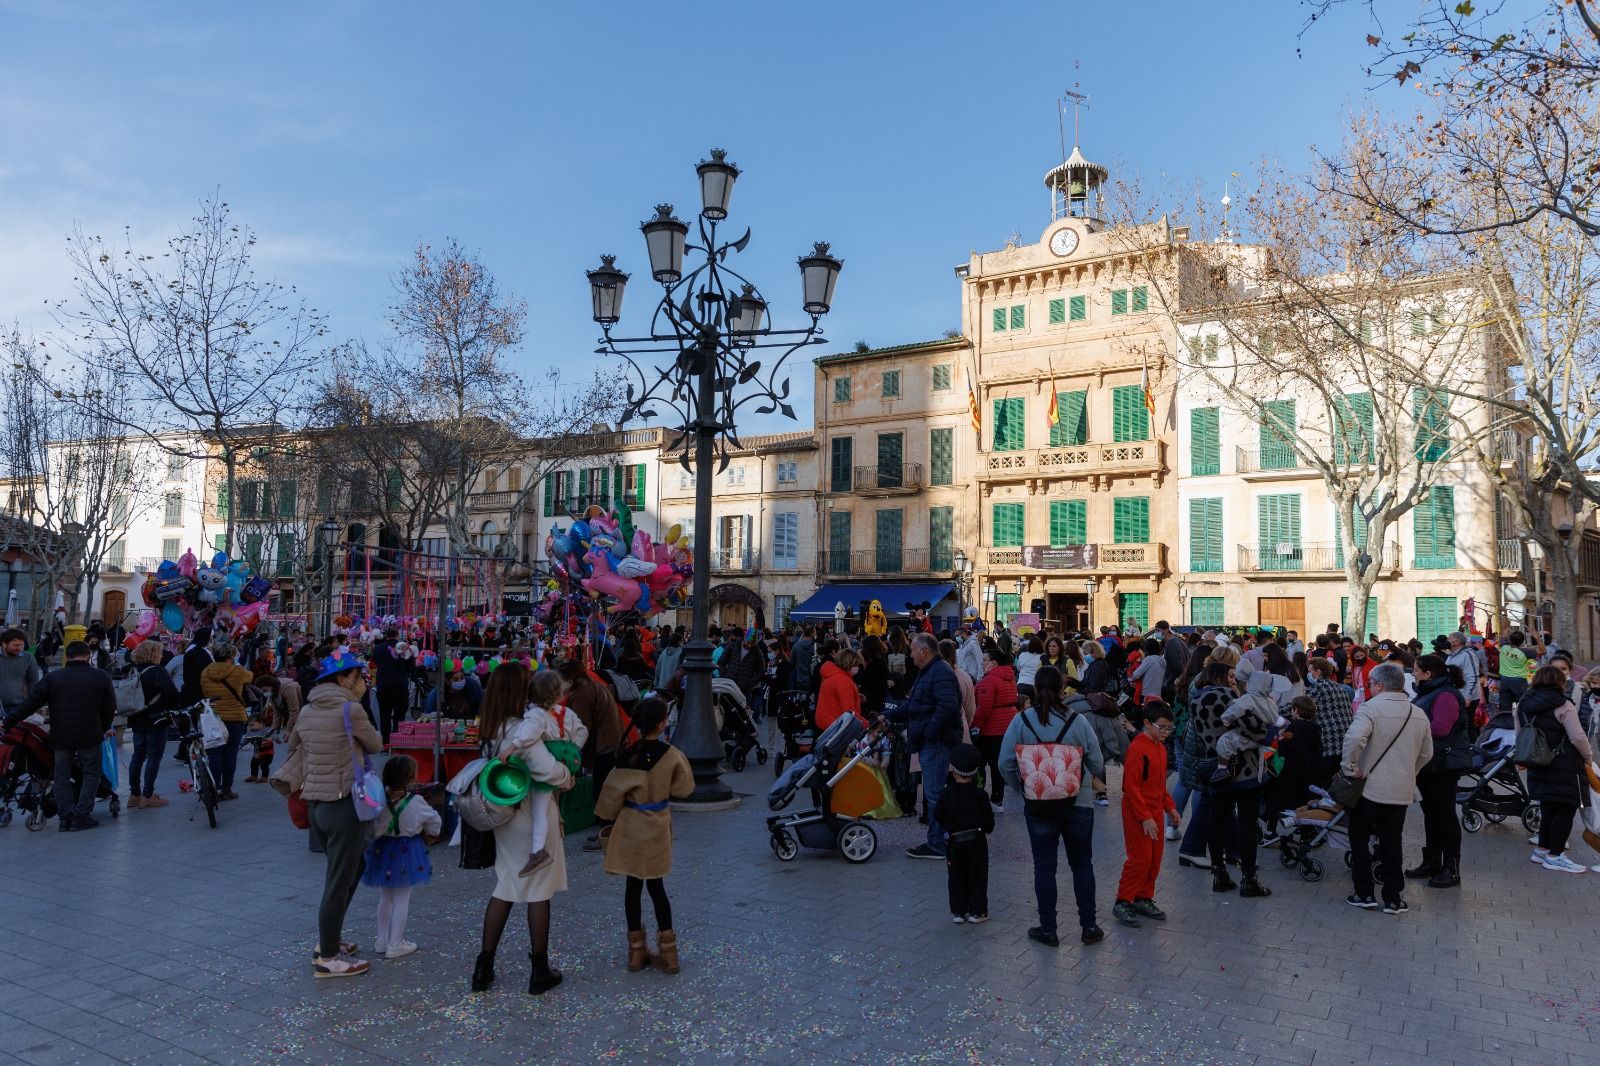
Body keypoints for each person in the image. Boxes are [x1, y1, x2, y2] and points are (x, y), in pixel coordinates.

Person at [474, 662, 575, 996]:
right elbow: (547, 770)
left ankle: (483, 966)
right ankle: (539, 968)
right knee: (538, 890)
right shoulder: (524, 729)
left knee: (506, 884)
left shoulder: (493, 725)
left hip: (505, 817)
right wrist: (568, 776)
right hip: (532, 815)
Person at [287, 650, 383, 977]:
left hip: (316, 804)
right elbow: (375, 745)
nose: (363, 682)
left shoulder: (308, 710)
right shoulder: (350, 710)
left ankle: (332, 939)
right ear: (343, 680)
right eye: (359, 677)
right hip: (344, 803)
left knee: (350, 870)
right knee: (338, 881)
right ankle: (328, 956)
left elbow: (293, 747)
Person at [997, 665, 1105, 947]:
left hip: (1039, 803)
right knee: (1082, 864)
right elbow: (1097, 763)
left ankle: (1048, 928)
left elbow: (1004, 763)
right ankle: (1089, 925)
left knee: (1044, 867)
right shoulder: (1078, 721)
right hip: (1078, 802)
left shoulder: (1022, 721)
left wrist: (1022, 786)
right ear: (1062, 690)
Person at [594, 697, 694, 973]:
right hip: (657, 824)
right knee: (657, 887)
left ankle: (636, 952)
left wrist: (608, 815)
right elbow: (685, 788)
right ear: (662, 724)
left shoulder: (627, 756)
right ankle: (669, 951)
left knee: (632, 887)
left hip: (630, 826)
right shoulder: (672, 755)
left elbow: (609, 797)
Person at [1341, 662, 1434, 914]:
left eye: (1371, 684)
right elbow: (1427, 753)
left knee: (1359, 838)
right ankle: (1393, 897)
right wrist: (1409, 772)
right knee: (1392, 841)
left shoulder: (1370, 709)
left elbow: (1353, 739)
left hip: (1369, 787)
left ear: (1379, 685)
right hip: (1400, 789)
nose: (1370, 688)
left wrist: (1350, 767)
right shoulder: (1418, 713)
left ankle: (1364, 892)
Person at [3, 640, 116, 832]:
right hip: (90, 733)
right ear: (88, 655)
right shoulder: (101, 677)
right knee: (91, 774)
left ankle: (65, 817)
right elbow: (109, 707)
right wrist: (103, 727)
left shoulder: (54, 678)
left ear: (67, 656)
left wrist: (8, 722)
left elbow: (30, 704)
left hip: (61, 735)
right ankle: (82, 815)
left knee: (60, 775)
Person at [886, 633, 963, 859]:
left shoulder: (940, 672)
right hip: (932, 740)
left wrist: (929, 733)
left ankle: (937, 844)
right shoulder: (930, 671)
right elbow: (914, 704)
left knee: (934, 794)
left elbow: (947, 707)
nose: (909, 654)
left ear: (924, 651)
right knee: (933, 793)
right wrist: (888, 716)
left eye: (912, 650)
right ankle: (938, 840)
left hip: (937, 742)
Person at [361, 753, 441, 959]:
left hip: (382, 850)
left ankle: (381, 940)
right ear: (411, 779)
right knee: (402, 899)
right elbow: (435, 821)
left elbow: (371, 827)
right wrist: (429, 836)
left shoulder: (378, 800)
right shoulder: (417, 801)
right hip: (408, 852)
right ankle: (395, 943)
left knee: (385, 897)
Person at [1522, 665, 1597, 873]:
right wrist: (1588, 757)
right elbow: (1577, 737)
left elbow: (1520, 731)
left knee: (1548, 807)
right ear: (1559, 683)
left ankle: (1542, 850)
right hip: (1565, 763)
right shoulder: (1564, 704)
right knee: (1565, 808)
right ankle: (1556, 855)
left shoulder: (1524, 703)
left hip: (1537, 760)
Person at [1113, 704, 1180, 928]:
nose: (1165, 732)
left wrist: (1169, 807)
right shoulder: (1138, 748)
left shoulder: (1159, 748)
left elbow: (1160, 786)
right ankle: (1123, 900)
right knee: (1140, 858)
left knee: (1154, 857)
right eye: (1161, 727)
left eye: (1169, 728)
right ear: (1147, 724)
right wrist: (1144, 817)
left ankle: (1143, 896)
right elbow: (1130, 787)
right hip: (1137, 812)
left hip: (1153, 813)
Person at [1406, 654, 1469, 887]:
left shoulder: (1446, 695)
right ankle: (1432, 860)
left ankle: (1451, 868)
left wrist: (1411, 726)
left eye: (1415, 670)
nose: (1413, 673)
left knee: (1444, 816)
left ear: (1427, 674)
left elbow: (1441, 728)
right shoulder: (1430, 693)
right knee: (1432, 814)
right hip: (1430, 763)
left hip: (1443, 764)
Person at [519, 670, 589, 878]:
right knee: (552, 803)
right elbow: (582, 732)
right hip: (566, 762)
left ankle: (538, 849)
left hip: (544, 766)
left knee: (540, 809)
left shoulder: (535, 715)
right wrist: (571, 750)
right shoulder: (567, 713)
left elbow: (527, 739)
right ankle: (555, 834)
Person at [934, 745, 994, 924]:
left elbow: (938, 815)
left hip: (954, 840)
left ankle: (958, 911)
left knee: (956, 875)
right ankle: (977, 911)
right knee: (977, 874)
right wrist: (986, 829)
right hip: (976, 839)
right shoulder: (980, 795)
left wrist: (948, 827)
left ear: (953, 771)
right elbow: (989, 821)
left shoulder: (946, 794)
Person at [128, 638, 181, 808]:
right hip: (156, 719)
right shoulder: (157, 671)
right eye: (159, 652)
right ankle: (148, 795)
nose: (161, 655)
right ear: (153, 654)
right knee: (154, 756)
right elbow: (172, 695)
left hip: (136, 718)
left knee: (137, 756)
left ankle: (134, 794)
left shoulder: (131, 670)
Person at [200, 642, 255, 801]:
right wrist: (236, 665)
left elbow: (204, 692)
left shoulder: (205, 672)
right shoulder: (237, 671)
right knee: (230, 754)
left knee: (215, 753)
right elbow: (250, 677)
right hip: (235, 717)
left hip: (214, 717)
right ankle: (226, 789)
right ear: (231, 656)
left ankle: (214, 787)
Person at [971, 648, 1019, 811]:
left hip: (991, 728)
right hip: (1007, 725)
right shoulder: (1009, 678)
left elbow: (983, 708)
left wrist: (975, 726)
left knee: (979, 763)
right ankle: (997, 800)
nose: (982, 662)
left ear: (994, 662)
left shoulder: (989, 681)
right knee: (997, 765)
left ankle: (978, 797)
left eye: (985, 659)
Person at [1305, 657, 1355, 786]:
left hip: (1328, 743)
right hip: (1345, 742)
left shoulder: (1317, 688)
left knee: (1326, 780)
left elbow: (1303, 706)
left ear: (1318, 672)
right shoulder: (1339, 688)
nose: (1309, 674)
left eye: (1310, 671)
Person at [370, 627, 413, 743]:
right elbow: (410, 666)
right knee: (400, 714)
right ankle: (397, 741)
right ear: (397, 635)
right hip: (400, 685)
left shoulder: (378, 649)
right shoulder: (404, 649)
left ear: (386, 636)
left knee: (385, 714)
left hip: (383, 685)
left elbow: (374, 663)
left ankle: (385, 742)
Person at [814, 648, 866, 731]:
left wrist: (856, 696)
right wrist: (866, 724)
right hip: (834, 723)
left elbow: (834, 695)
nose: (858, 668)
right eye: (856, 665)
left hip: (825, 719)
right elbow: (849, 711)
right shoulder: (843, 679)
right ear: (848, 665)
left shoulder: (832, 673)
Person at [0, 627, 43, 719]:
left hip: (18, 707)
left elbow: (34, 683)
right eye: (15, 645)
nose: (19, 648)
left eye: (21, 645)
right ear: (4, 644)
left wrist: (32, 705)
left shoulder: (28, 658)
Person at [179, 626, 214, 707]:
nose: (211, 640)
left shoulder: (196, 650)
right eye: (211, 637)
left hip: (194, 690)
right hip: (197, 692)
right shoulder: (197, 652)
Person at [1498, 630, 1532, 711]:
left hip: (1505, 680)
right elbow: (1543, 651)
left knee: (1505, 707)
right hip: (1519, 681)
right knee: (1522, 706)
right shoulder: (1525, 652)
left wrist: (1505, 619)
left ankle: (1505, 722)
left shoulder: (1503, 646)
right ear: (1522, 641)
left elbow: (1503, 631)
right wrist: (1538, 638)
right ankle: (1522, 722)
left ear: (1510, 639)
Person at [1014, 636, 1043, 707]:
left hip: (1021, 683)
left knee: (1021, 707)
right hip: (1034, 685)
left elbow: (1018, 668)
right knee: (1034, 708)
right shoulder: (1043, 657)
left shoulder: (1023, 655)